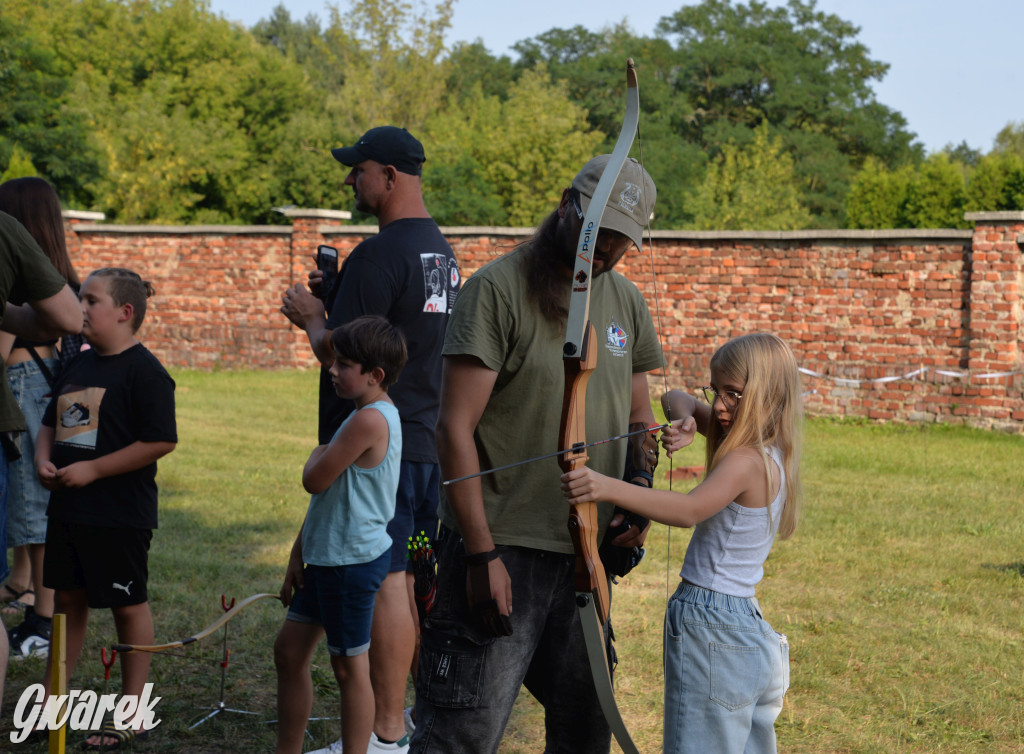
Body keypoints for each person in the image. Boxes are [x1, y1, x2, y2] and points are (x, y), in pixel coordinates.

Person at [411, 155, 662, 754]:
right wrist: (480, 554)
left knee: (584, 732)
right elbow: (453, 429)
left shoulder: (625, 301)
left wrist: (638, 496)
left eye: (619, 240)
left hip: (584, 553)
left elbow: (637, 418)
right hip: (504, 549)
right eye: (595, 229)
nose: (603, 249)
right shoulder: (497, 288)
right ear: (566, 206)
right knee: (461, 735)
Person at [280, 125, 459, 753]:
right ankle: (395, 723)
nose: (350, 181)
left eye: (359, 170)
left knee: (386, 578)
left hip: (373, 446)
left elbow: (341, 349)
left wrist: (311, 315)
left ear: (390, 175)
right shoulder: (441, 253)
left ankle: (384, 735)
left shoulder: (378, 255)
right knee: (403, 577)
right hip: (420, 445)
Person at [561, 333, 803, 754]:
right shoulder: (767, 447)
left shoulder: (745, 460)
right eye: (717, 391)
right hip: (744, 625)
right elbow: (676, 397)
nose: (722, 406)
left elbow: (689, 510)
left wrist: (604, 486)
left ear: (767, 393)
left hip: (712, 619)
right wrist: (689, 416)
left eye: (734, 394)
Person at [33, 267, 177, 749]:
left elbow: (160, 440)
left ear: (124, 312)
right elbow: (52, 423)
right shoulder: (79, 364)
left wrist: (95, 471)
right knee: (67, 601)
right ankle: (56, 705)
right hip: (69, 511)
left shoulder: (146, 372)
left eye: (90, 300)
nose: (81, 307)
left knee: (126, 604)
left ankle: (132, 712)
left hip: (118, 515)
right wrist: (42, 459)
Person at [274, 315, 408, 754]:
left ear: (375, 375)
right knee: (290, 653)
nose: (331, 370)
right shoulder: (359, 416)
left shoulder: (369, 421)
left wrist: (318, 452)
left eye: (343, 363)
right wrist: (299, 555)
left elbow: (314, 480)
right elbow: (326, 499)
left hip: (351, 565)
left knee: (350, 669)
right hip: (326, 559)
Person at [0, 209, 82, 712]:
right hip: (39, 394)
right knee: (35, 509)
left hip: (29, 389)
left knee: (36, 509)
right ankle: (32, 599)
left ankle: (41, 617)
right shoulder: (49, 276)